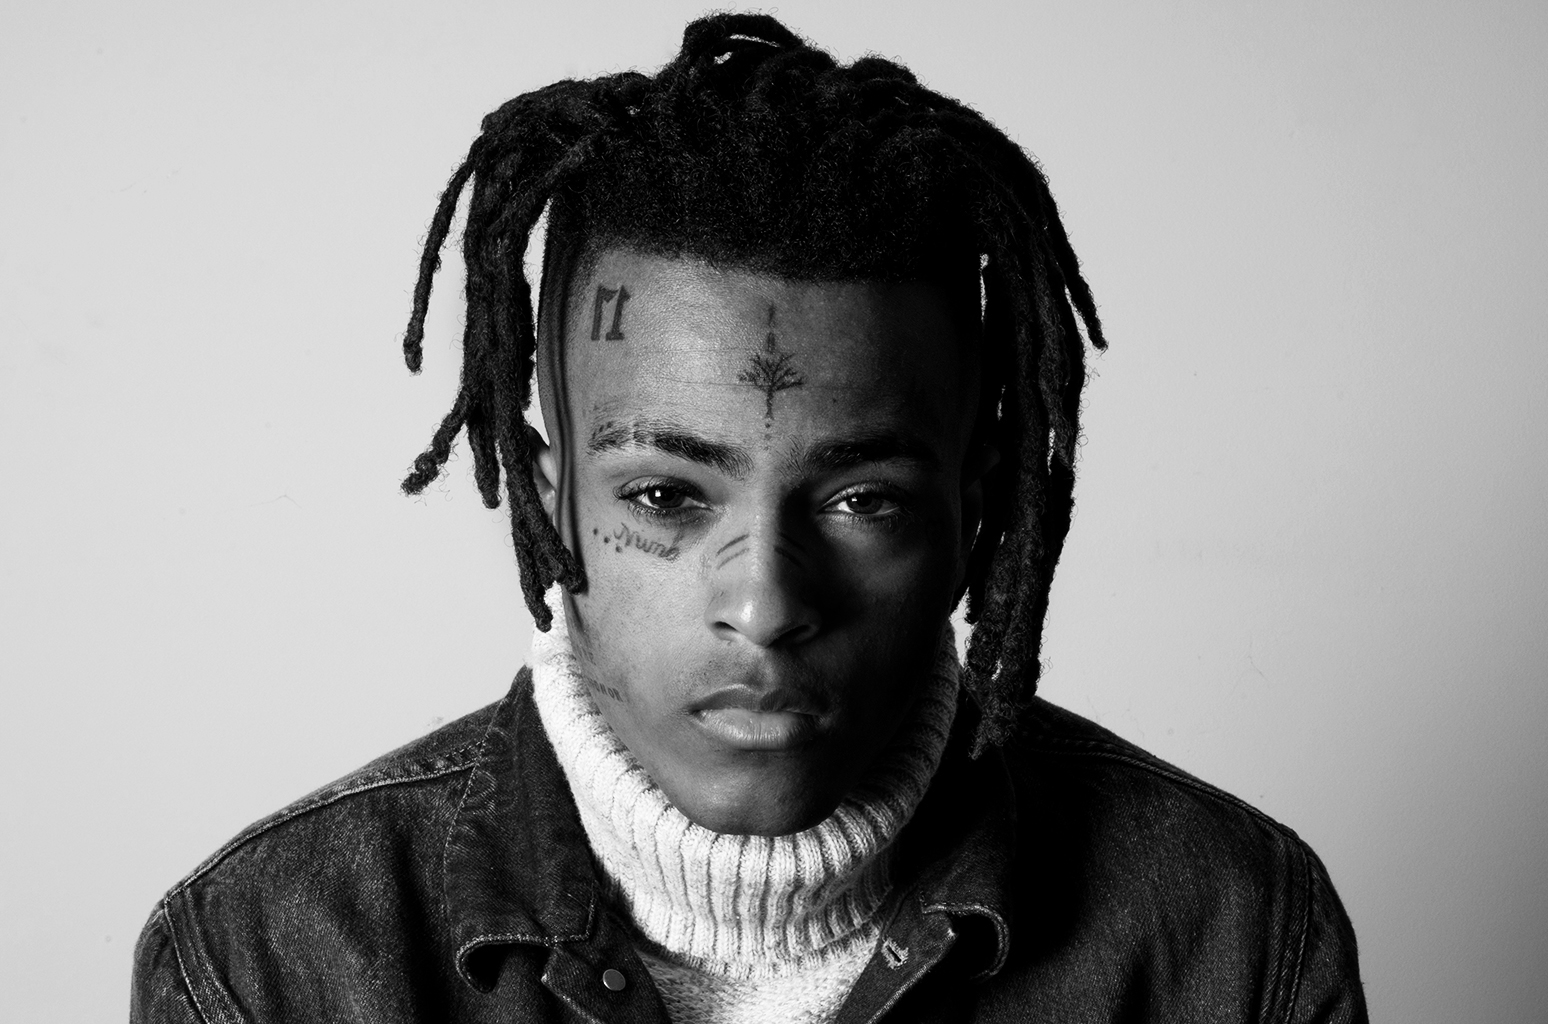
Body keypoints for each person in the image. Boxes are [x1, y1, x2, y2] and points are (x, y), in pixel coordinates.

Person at [130, 14, 1366, 1023]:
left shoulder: (1232, 937)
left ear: (973, 515)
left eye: (863, 500)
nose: (767, 603)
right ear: (551, 502)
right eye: (667, 496)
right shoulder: (264, 961)